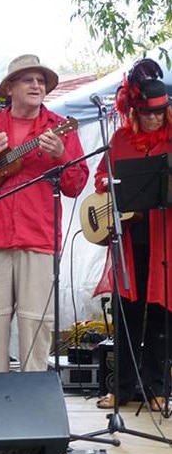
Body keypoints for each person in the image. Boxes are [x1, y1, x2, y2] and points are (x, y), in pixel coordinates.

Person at [0, 54, 88, 373]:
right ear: (9, 88)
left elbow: (76, 184)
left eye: (40, 81)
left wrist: (60, 156)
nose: (36, 85)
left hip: (37, 239)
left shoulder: (57, 129)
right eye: (28, 80)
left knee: (36, 323)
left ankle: (33, 402)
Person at [93, 59, 172, 411]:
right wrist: (108, 186)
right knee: (127, 314)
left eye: (159, 113)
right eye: (147, 113)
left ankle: (158, 388)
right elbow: (100, 177)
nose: (153, 119)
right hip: (130, 239)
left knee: (161, 315)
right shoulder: (121, 139)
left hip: (164, 240)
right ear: (135, 112)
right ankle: (121, 388)